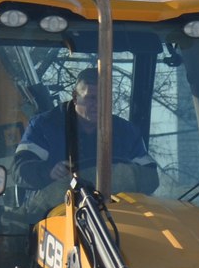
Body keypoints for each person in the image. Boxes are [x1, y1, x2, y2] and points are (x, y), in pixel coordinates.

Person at [12, 67, 159, 194]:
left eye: (104, 98)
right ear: (75, 97)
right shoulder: (45, 126)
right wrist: (49, 172)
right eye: (91, 98)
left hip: (117, 211)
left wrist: (127, 174)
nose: (98, 105)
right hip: (56, 212)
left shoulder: (126, 133)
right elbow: (19, 170)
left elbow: (150, 175)